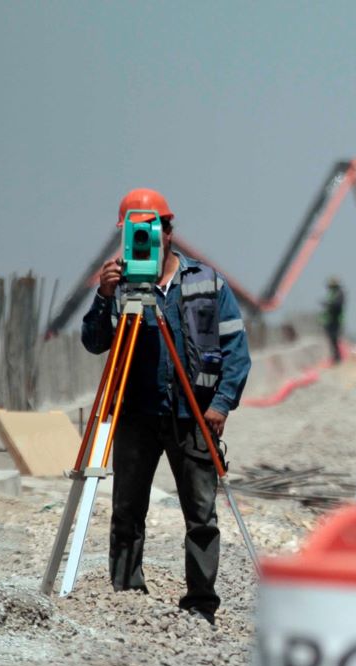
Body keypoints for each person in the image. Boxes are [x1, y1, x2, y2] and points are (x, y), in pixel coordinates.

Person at [81, 188, 250, 626]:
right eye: (133, 232)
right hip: (137, 414)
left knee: (200, 514)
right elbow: (94, 342)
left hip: (194, 413)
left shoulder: (206, 283)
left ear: (168, 231)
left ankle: (200, 602)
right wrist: (103, 297)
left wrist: (222, 406)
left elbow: (236, 351)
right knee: (127, 509)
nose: (142, 240)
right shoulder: (119, 289)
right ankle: (126, 590)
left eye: (149, 229)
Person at [320, 276, 345, 364]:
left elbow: (337, 305)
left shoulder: (339, 293)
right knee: (330, 339)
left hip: (335, 320)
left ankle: (337, 358)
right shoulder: (332, 293)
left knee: (334, 338)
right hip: (330, 319)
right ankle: (334, 357)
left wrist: (328, 304)